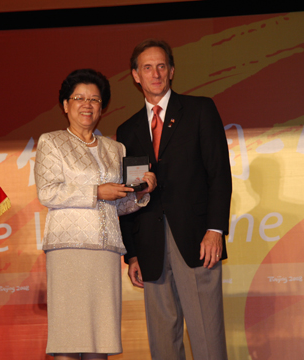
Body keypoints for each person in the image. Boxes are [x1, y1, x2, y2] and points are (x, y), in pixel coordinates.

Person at [116, 39, 232, 360]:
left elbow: (219, 174)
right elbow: (128, 195)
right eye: (147, 67)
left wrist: (215, 230)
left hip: (197, 240)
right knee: (163, 343)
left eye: (162, 66)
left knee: (207, 337)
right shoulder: (127, 130)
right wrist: (132, 255)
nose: (156, 73)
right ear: (135, 75)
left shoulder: (199, 110)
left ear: (172, 71)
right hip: (150, 246)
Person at [34, 68, 156, 360]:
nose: (87, 105)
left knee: (100, 340)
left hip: (106, 251)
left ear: (102, 108)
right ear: (65, 105)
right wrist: (97, 191)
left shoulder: (115, 148)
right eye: (79, 98)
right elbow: (48, 192)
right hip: (69, 250)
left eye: (95, 100)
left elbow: (119, 205)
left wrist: (140, 192)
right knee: (68, 338)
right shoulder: (51, 142)